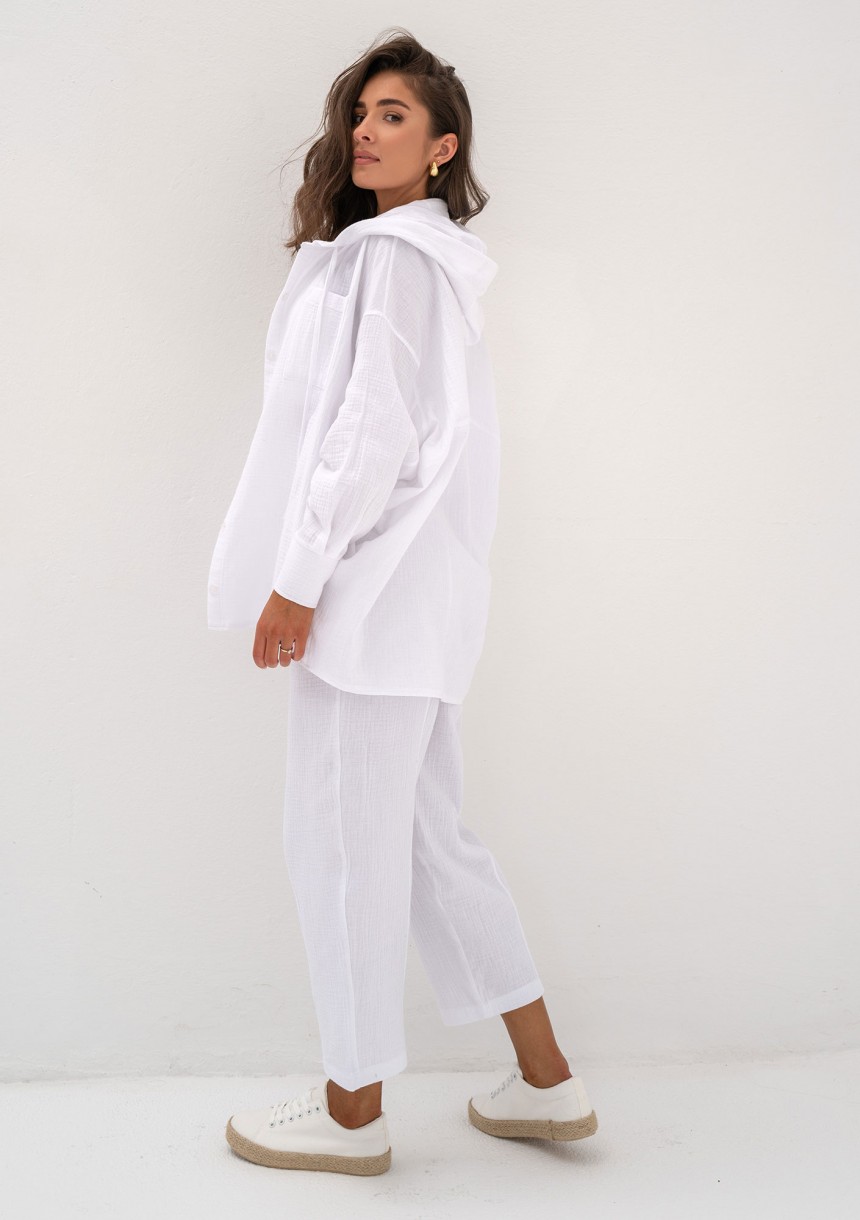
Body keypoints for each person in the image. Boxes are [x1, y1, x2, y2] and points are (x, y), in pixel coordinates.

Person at [209, 29, 598, 1176]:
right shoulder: (424, 263)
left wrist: (297, 580)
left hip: (367, 600)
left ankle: (352, 1111)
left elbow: (370, 432)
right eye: (358, 113)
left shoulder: (386, 259)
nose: (364, 131)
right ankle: (544, 1077)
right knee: (429, 840)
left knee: (340, 847)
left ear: (443, 147)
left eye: (393, 115)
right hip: (421, 606)